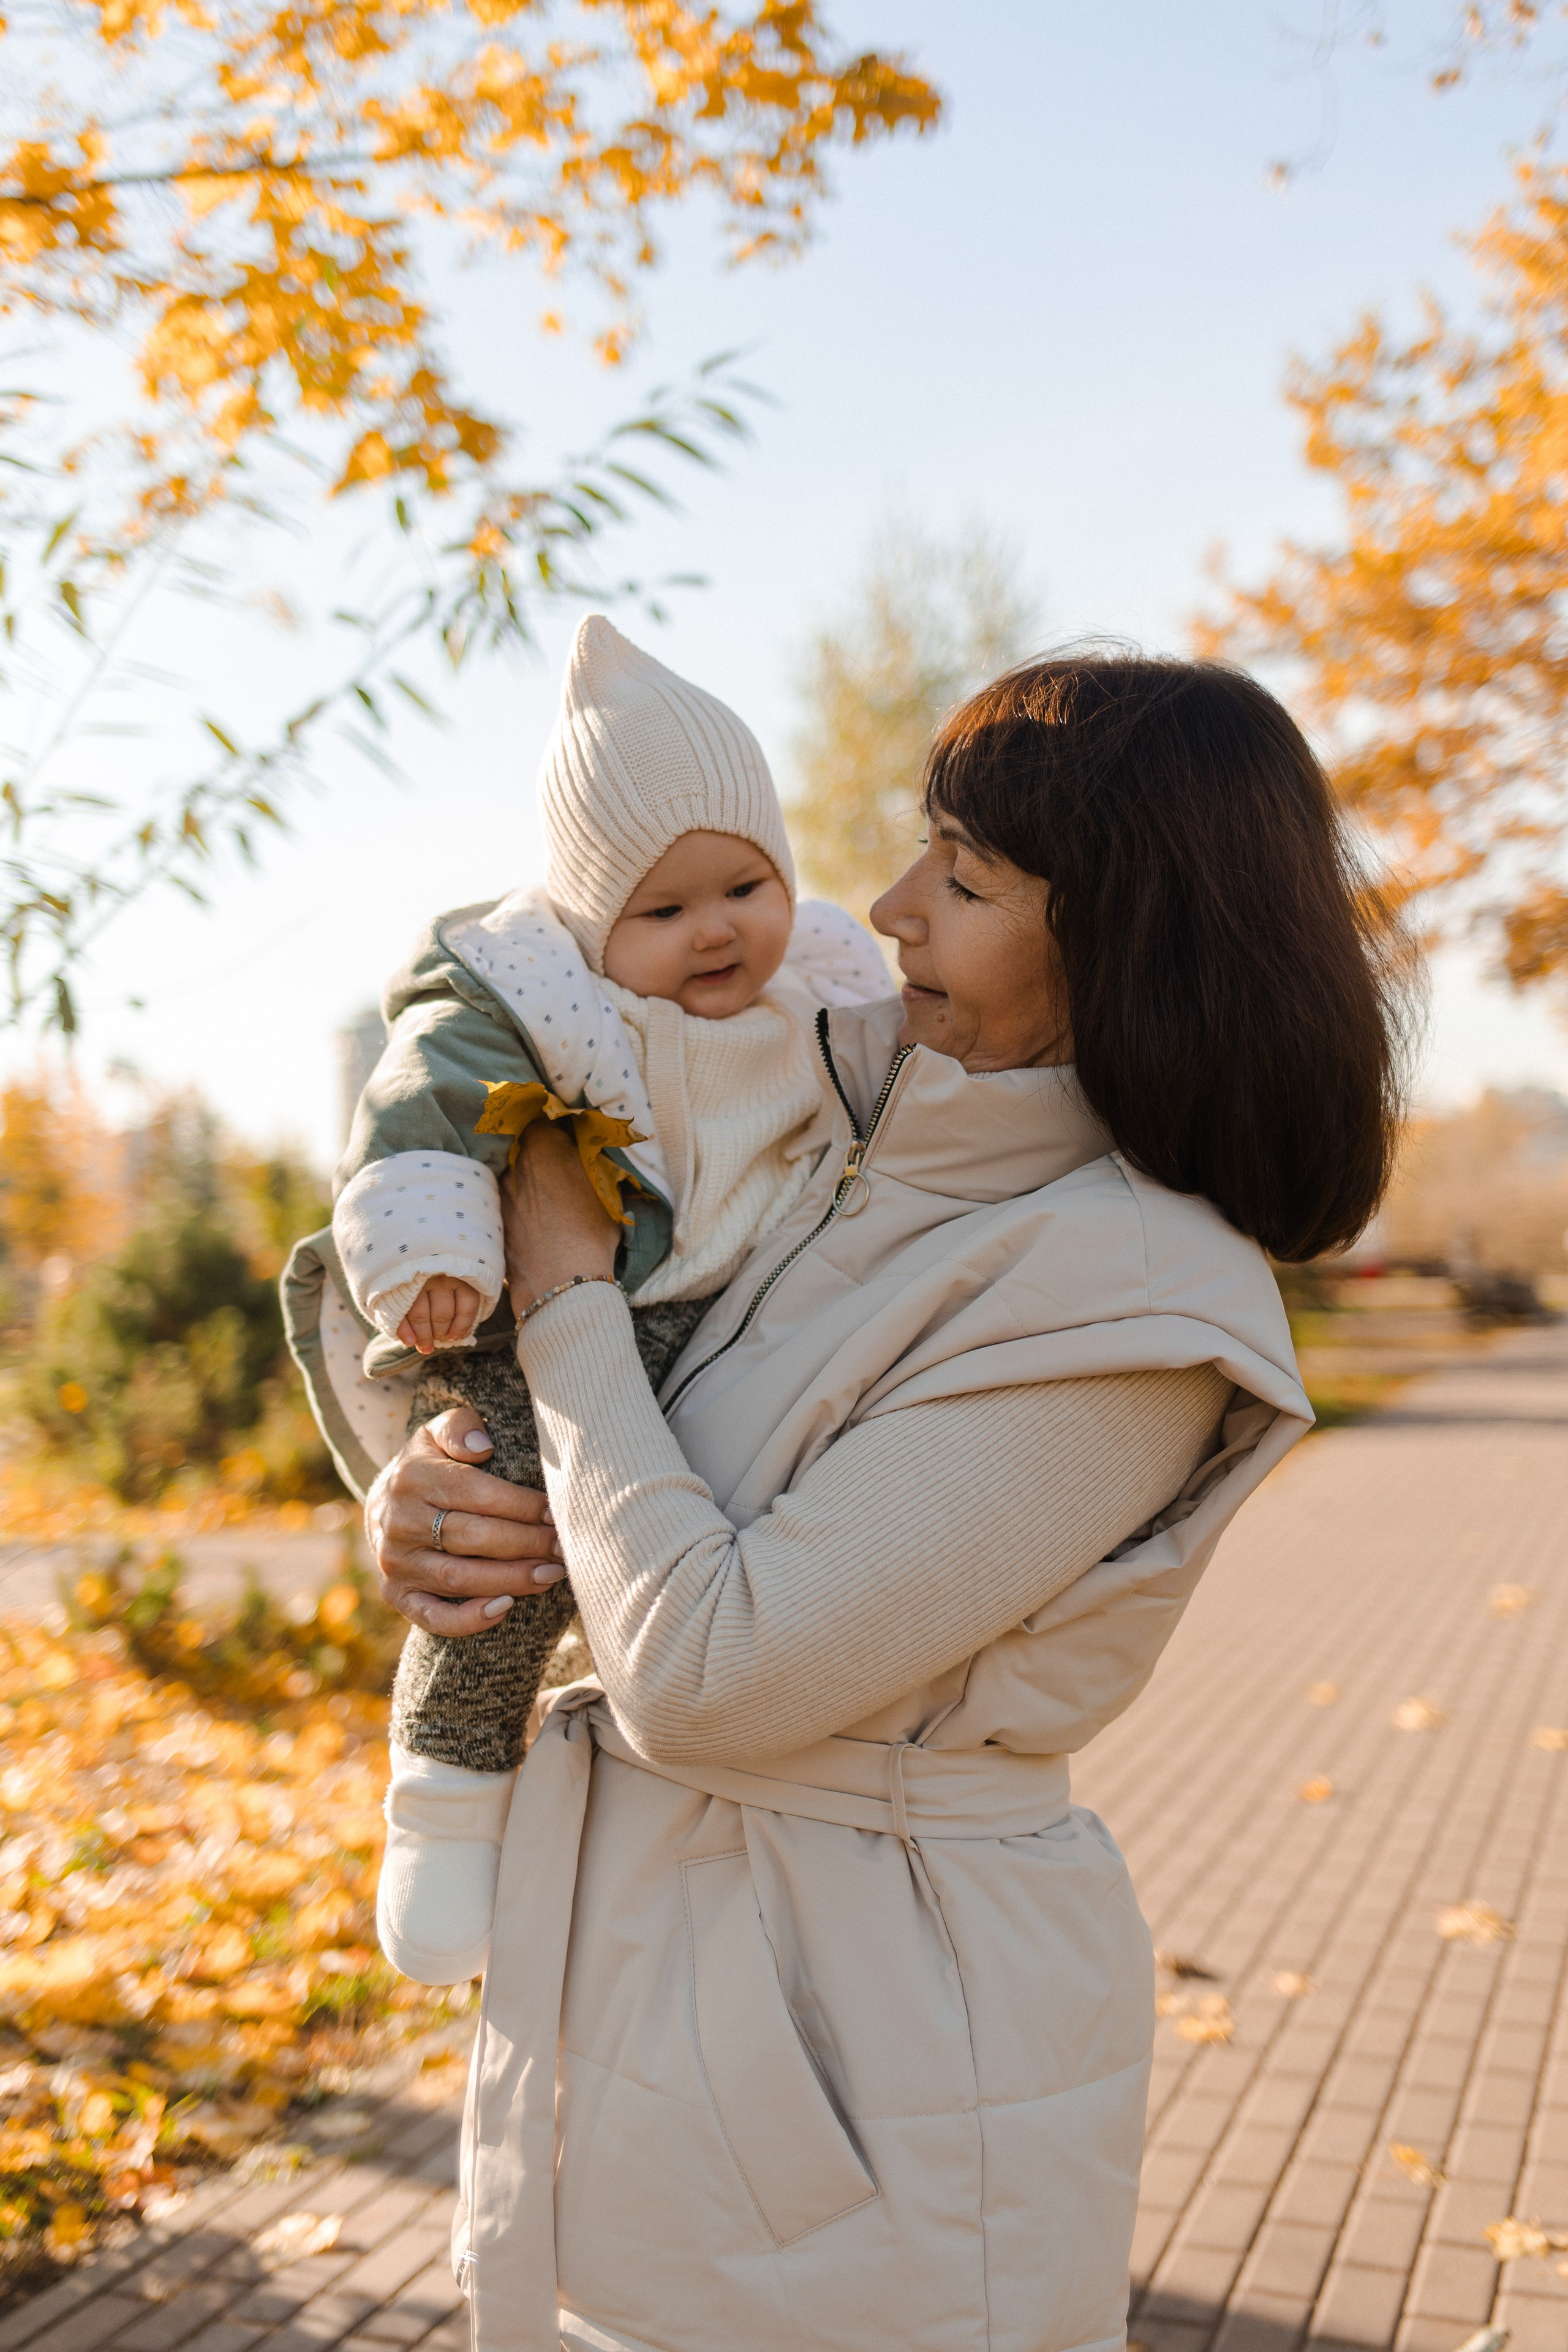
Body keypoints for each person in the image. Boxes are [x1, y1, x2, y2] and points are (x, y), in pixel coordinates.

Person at [364, 654, 1408, 2352]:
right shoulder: (833, 1151)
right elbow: (643, 1491)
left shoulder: (1128, 1298)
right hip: (679, 2033)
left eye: (969, 878)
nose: (892, 905)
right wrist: (444, 1510)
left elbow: (714, 1669)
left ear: (1119, 938)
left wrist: (561, 1305)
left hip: (865, 2095)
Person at [317, 614, 885, 1984]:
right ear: (587, 920)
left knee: (682, 1547)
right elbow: (418, 1112)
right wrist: (436, 1255)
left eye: (743, 887)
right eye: (661, 908)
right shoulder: (531, 997)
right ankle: (445, 1790)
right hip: (565, 1312)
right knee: (504, 1537)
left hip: (738, 1320)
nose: (714, 932)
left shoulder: (829, 994)